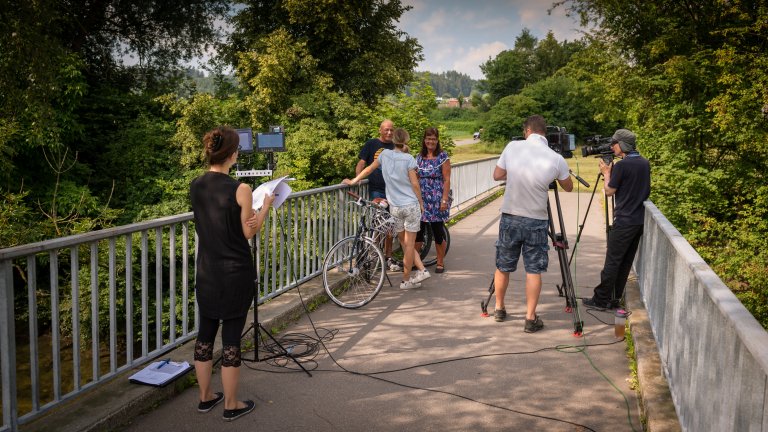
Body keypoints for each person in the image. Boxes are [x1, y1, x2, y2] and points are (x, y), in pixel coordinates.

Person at [189, 126, 274, 422]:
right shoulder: (241, 189)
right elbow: (248, 232)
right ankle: (232, 404)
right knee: (231, 340)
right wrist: (266, 208)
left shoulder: (195, 185)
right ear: (233, 154)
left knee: (205, 335)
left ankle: (205, 398)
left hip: (207, 271)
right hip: (235, 272)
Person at [492, 115, 573, 332]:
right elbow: (569, 187)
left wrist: (517, 172)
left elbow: (497, 174)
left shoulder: (512, 147)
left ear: (527, 131)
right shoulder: (555, 158)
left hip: (510, 216)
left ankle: (499, 308)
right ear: (545, 133)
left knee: (503, 264)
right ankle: (530, 318)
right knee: (533, 269)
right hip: (536, 220)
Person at [344, 128, 431, 289]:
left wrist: (354, 180)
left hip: (395, 207)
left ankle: (420, 272)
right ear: (406, 140)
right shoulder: (409, 159)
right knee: (409, 244)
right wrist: (421, 202)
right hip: (410, 205)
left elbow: (368, 169)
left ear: (393, 141)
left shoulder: (384, 155)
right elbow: (414, 183)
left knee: (405, 243)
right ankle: (407, 279)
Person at [583, 129, 651, 309]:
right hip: (638, 220)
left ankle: (601, 299)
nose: (612, 147)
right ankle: (614, 298)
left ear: (621, 145)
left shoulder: (622, 166)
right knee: (625, 261)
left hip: (624, 221)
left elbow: (609, 191)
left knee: (612, 261)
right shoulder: (644, 163)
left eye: (614, 143)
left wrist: (606, 173)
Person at [357, 119, 397, 270]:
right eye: (386, 130)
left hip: (393, 191)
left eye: (391, 130)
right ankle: (375, 254)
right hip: (377, 190)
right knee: (378, 222)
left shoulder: (396, 146)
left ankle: (388, 257)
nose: (389, 133)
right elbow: (361, 163)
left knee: (390, 225)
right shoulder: (371, 144)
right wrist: (358, 178)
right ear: (380, 130)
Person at [415, 127, 451, 273]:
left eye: (434, 139)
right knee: (418, 231)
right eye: (428, 138)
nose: (431, 141)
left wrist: (444, 200)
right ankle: (416, 262)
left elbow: (447, 179)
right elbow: (415, 178)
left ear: (437, 140)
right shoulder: (419, 157)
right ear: (424, 140)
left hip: (437, 199)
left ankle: (440, 262)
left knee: (437, 231)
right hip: (421, 199)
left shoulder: (443, 157)